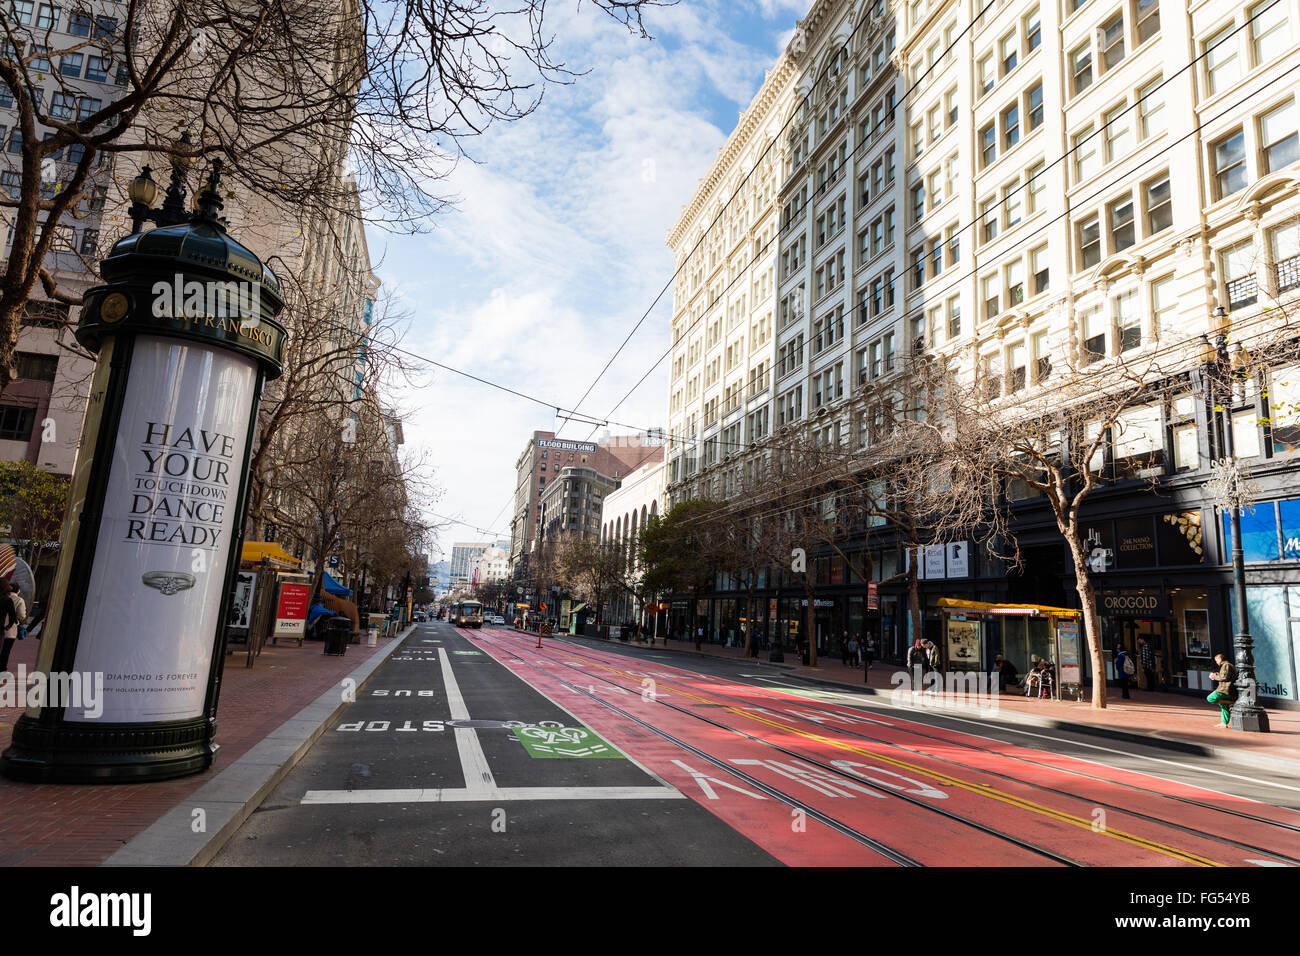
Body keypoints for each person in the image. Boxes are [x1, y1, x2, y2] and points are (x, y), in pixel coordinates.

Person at [0, 581, 24, 674]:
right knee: (5, 651)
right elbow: (20, 615)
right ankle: (2, 670)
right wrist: (9, 625)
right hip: (8, 630)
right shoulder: (18, 600)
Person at [1207, 653, 1237, 727]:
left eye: (1216, 660)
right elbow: (1224, 675)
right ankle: (1224, 723)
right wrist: (1217, 674)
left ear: (1220, 659)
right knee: (1224, 706)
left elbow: (1224, 677)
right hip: (1227, 689)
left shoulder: (1226, 665)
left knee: (1210, 698)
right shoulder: (1226, 665)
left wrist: (1214, 677)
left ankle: (1232, 702)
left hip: (1225, 689)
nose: (1216, 662)